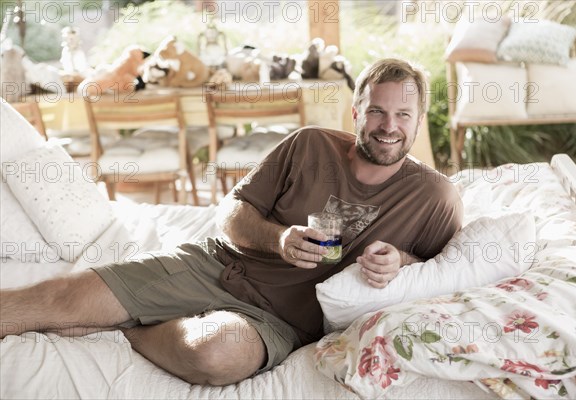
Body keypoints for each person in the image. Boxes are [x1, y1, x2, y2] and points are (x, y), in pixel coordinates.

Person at [0, 58, 463, 386]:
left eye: (403, 114)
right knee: (57, 298)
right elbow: (231, 213)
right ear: (358, 112)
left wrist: (400, 260)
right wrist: (279, 238)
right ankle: (120, 309)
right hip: (217, 266)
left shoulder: (433, 196)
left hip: (279, 320)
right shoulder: (308, 145)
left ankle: (127, 329)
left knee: (214, 354)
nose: (389, 126)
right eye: (378, 111)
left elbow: (449, 271)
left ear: (419, 120)